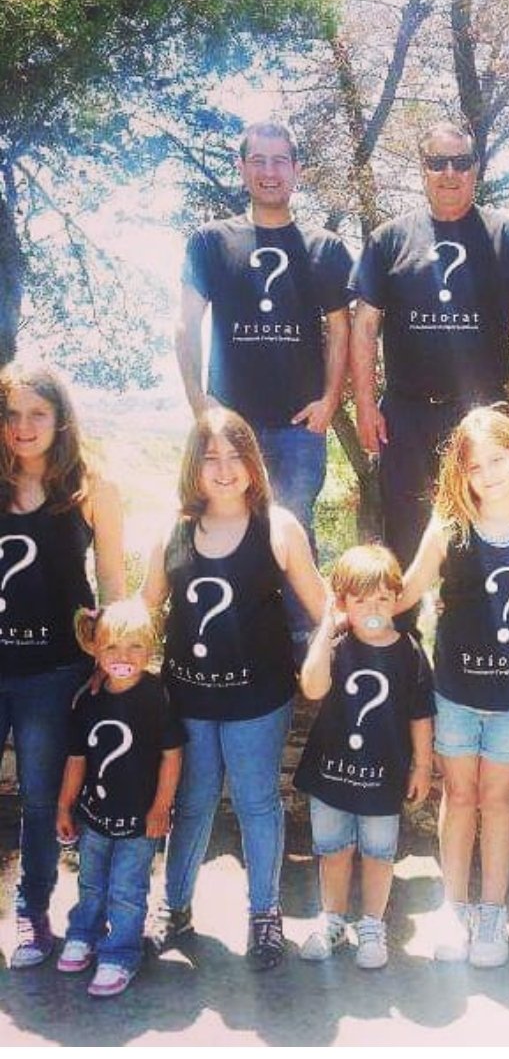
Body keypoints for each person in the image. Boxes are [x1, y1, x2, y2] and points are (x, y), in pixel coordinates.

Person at [141, 408, 326, 969]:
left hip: (258, 700)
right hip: (188, 698)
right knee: (191, 802)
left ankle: (265, 914)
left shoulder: (278, 527)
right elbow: (144, 611)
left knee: (256, 802)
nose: (224, 470)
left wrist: (339, 659)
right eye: (210, 458)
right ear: (193, 467)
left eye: (234, 456)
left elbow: (324, 609)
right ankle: (174, 907)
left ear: (253, 462)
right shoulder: (172, 530)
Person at [396, 407, 509, 967]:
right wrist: (345, 609)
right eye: (474, 466)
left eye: (497, 460)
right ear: (460, 475)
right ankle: (453, 905)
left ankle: (493, 909)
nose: (488, 474)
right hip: (455, 693)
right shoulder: (449, 528)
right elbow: (407, 591)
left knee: (499, 798)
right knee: (460, 795)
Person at [350, 121, 509, 581]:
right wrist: (364, 404)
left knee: (484, 534)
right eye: (438, 163)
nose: (450, 173)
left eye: (461, 162)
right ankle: (401, 624)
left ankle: (476, 622)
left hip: (481, 415)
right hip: (405, 416)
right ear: (423, 169)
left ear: (475, 168)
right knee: (403, 537)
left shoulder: (507, 237)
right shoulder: (389, 240)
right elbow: (364, 326)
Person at [175, 120, 354, 546]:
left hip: (300, 430)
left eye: (279, 161)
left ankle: (301, 597)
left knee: (293, 539)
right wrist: (199, 402)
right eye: (258, 161)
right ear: (241, 168)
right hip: (229, 425)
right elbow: (186, 324)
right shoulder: (210, 242)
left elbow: (341, 329)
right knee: (225, 535)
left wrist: (330, 401)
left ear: (296, 170)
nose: (269, 172)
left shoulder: (325, 247)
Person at [0, 363, 124, 969]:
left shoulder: (92, 488)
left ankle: (33, 913)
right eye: (11, 414)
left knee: (41, 799)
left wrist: (111, 658)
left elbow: (115, 585)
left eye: (37, 414)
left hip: (55, 673)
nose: (23, 427)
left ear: (60, 419)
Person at [294, 545, 434, 970]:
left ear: (397, 599)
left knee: (378, 852)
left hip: (382, 775)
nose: (373, 609)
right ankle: (333, 920)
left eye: (382, 598)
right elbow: (312, 688)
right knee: (334, 849)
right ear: (342, 603)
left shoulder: (409, 652)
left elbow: (420, 715)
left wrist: (422, 765)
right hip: (332, 774)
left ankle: (372, 924)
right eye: (360, 600)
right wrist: (326, 627)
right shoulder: (337, 646)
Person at [55, 599, 185, 997]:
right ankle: (84, 934)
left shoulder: (158, 697)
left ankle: (121, 953)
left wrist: (161, 807)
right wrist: (64, 805)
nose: (123, 656)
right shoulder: (88, 699)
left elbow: (172, 756)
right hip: (95, 817)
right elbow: (77, 758)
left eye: (134, 647)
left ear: (150, 649)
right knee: (91, 882)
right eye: (111, 646)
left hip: (140, 821)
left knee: (127, 890)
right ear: (95, 649)